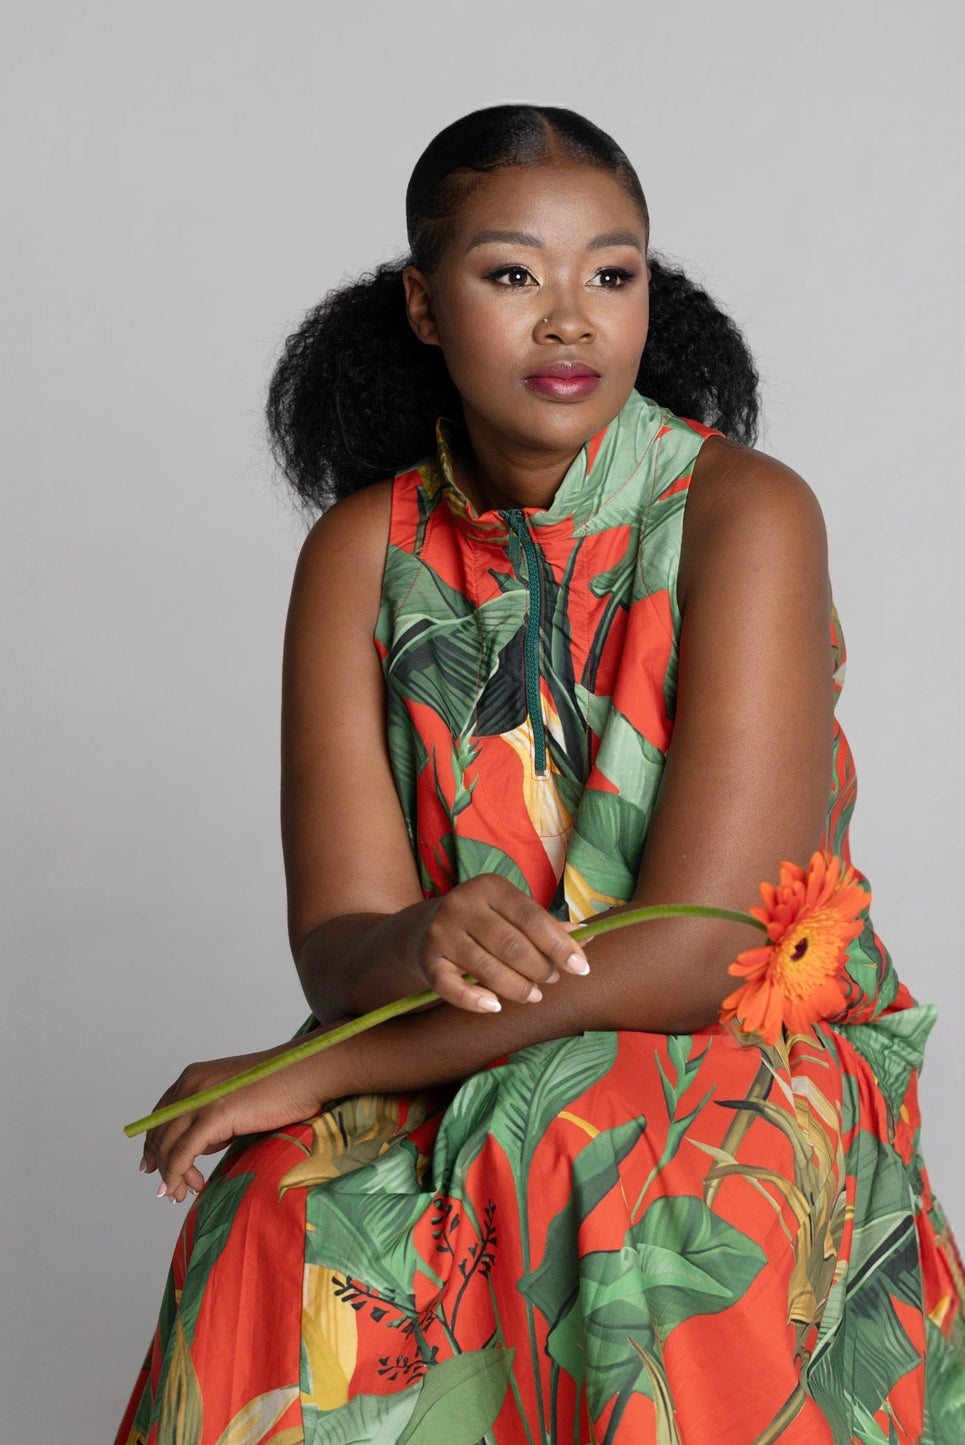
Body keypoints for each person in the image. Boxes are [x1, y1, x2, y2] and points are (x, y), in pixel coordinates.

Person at [112, 104, 965, 1445]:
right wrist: (413, 938)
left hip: (736, 1058)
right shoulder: (360, 553)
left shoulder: (745, 512)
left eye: (610, 275)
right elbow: (339, 943)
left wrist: (321, 1065)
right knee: (273, 1202)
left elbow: (701, 950)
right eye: (512, 273)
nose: (570, 319)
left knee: (591, 1147)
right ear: (423, 304)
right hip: (467, 1049)